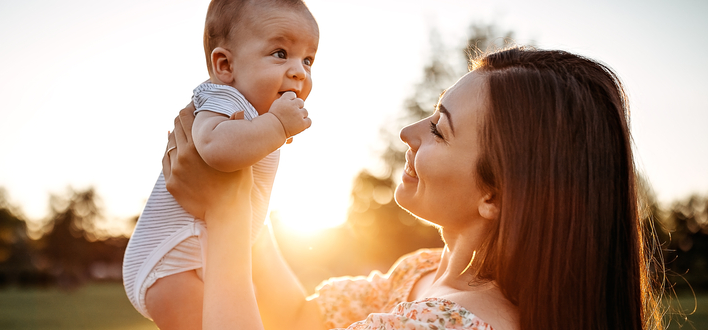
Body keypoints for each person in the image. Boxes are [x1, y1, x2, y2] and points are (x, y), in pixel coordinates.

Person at [162, 47, 664, 330]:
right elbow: (299, 317)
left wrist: (226, 217)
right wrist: (243, 187)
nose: (409, 132)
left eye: (439, 129)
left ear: (494, 195)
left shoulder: (446, 324)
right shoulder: (423, 272)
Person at [121, 0, 317, 328]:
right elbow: (213, 147)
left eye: (308, 59)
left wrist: (269, 130)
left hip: (203, 250)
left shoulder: (256, 116)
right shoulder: (223, 98)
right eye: (281, 53)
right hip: (169, 263)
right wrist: (277, 128)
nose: (300, 70)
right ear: (225, 65)